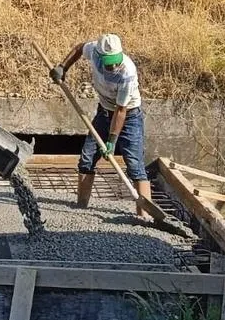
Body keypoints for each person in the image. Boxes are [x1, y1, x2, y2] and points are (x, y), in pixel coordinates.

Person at [51, 33, 154, 218]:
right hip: (104, 113)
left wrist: (112, 141)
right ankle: (81, 209)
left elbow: (121, 111)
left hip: (129, 116)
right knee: (87, 159)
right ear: (99, 55)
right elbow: (79, 48)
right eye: (109, 62)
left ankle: (145, 217)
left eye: (115, 61)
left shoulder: (127, 73)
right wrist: (62, 67)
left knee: (135, 165)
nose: (113, 66)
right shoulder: (94, 51)